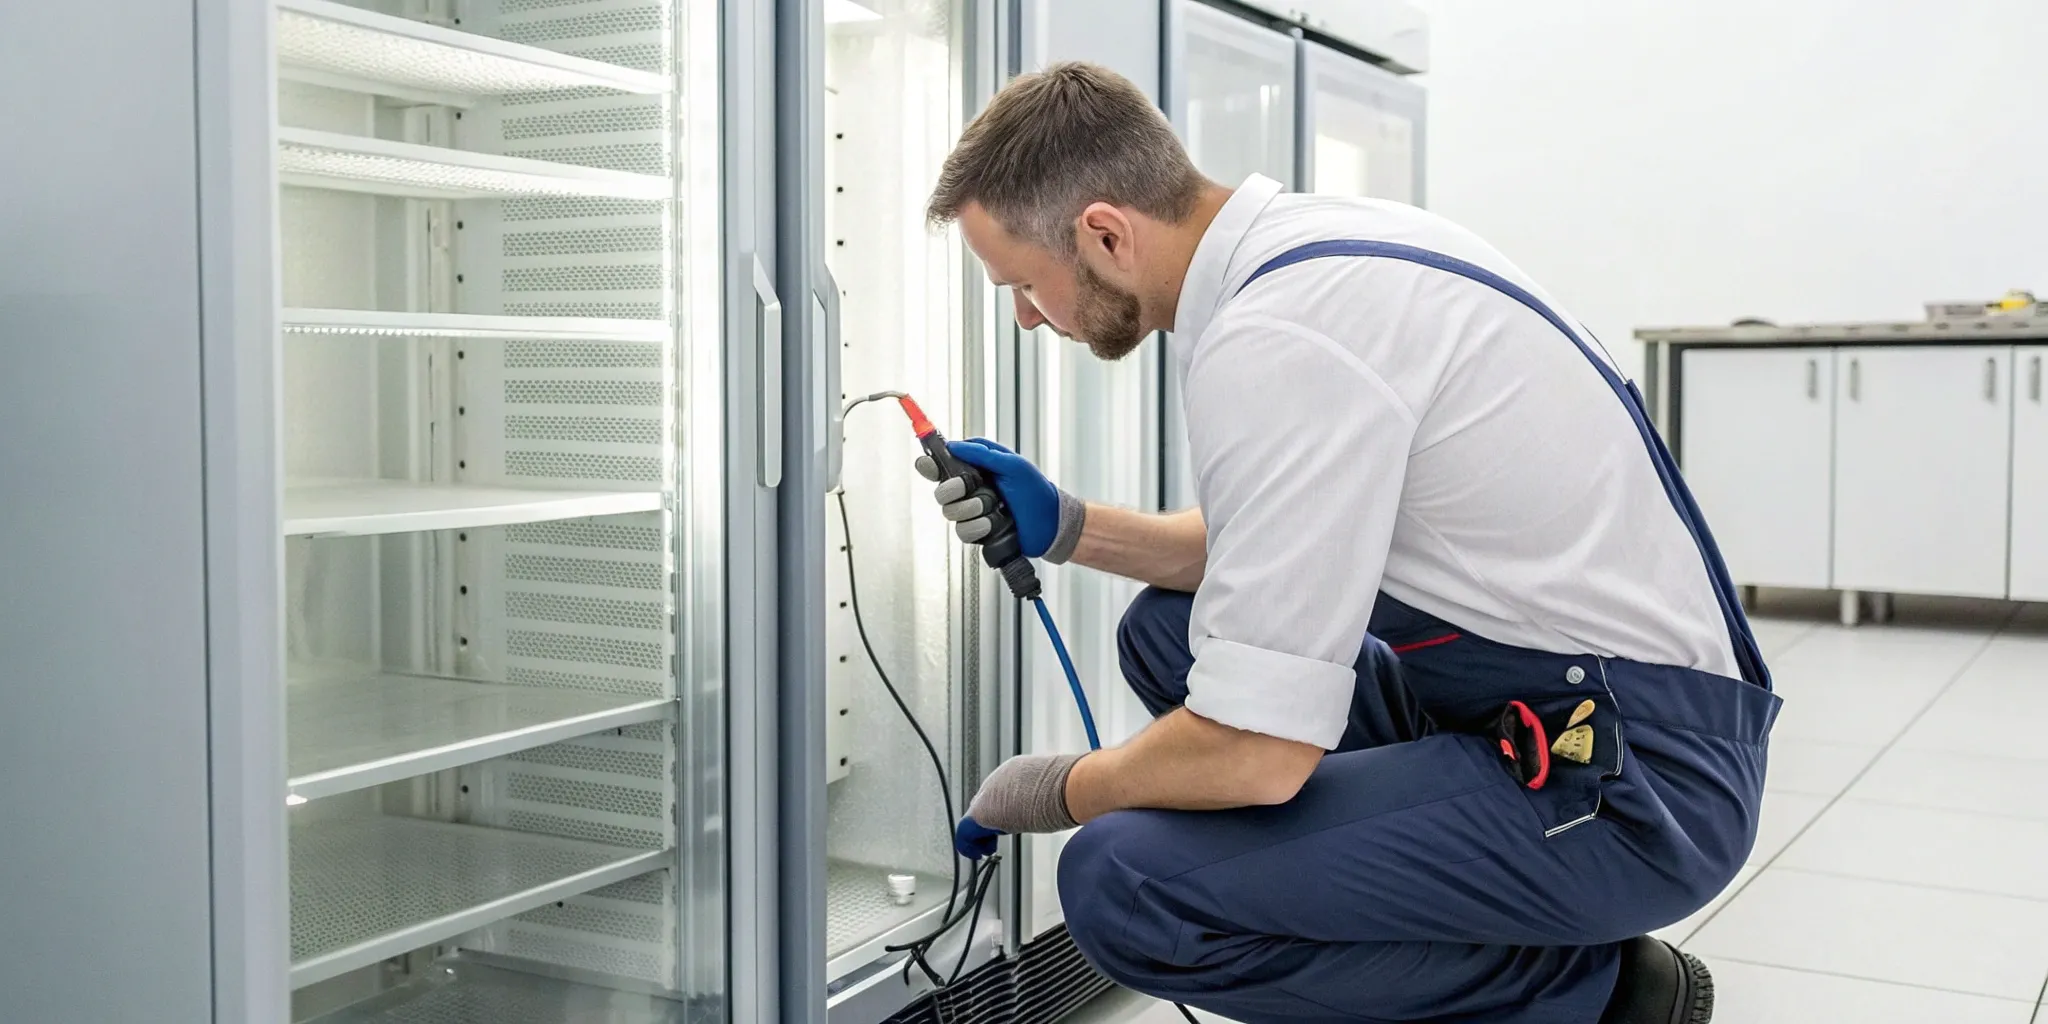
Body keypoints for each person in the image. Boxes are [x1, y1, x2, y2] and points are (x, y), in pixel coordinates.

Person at [914, 62, 1779, 1024]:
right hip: (1554, 702)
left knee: (1125, 882)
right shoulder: (1306, 258)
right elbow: (1272, 546)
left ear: (1105, 234)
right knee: (1168, 630)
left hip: (1634, 782)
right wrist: (1069, 526)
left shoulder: (1280, 335)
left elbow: (1256, 755)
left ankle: (1600, 995)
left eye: (1025, 287)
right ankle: (1437, 896)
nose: (1029, 319)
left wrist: (1061, 788)